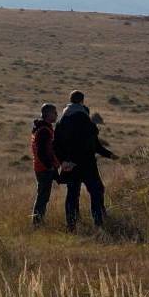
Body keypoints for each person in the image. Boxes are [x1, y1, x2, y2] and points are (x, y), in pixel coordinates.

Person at [53, 89, 116, 230]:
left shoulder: (61, 121)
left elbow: (55, 145)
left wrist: (63, 161)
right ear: (82, 101)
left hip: (70, 164)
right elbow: (94, 145)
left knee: (72, 194)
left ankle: (71, 225)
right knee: (96, 192)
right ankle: (99, 223)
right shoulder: (86, 120)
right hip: (87, 164)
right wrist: (110, 155)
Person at [29, 103, 60, 227]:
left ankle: (37, 222)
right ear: (47, 114)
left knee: (42, 197)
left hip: (41, 167)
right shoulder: (44, 131)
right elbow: (42, 152)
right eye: (54, 112)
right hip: (43, 169)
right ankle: (37, 223)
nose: (57, 115)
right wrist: (50, 166)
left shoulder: (42, 128)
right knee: (42, 198)